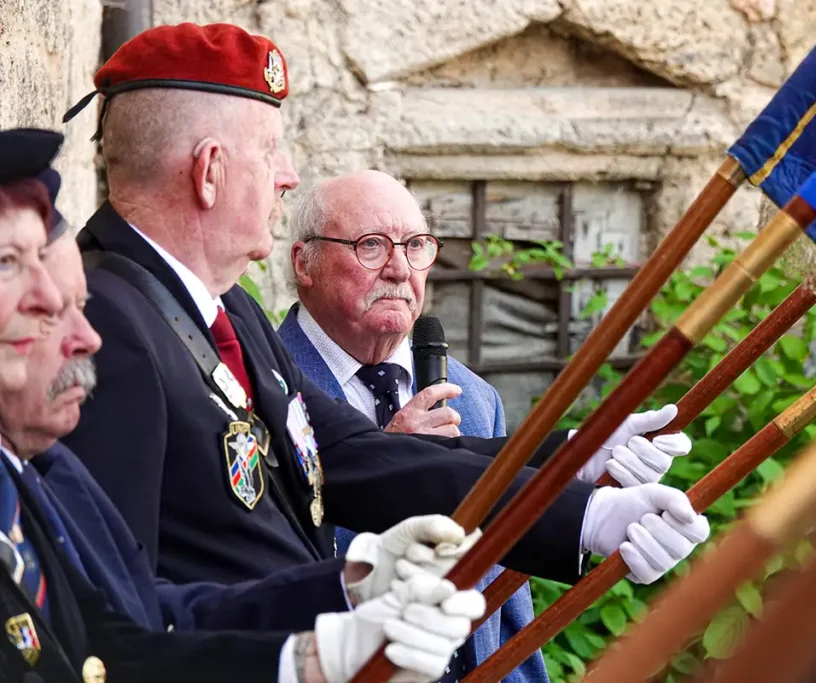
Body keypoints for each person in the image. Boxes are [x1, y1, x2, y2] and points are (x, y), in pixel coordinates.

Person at [62, 25, 712, 678]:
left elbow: (350, 455)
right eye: (270, 150)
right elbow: (116, 608)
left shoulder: (227, 308)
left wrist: (572, 465)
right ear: (209, 170)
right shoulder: (103, 319)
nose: (288, 177)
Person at [0, 128, 485, 683]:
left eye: (75, 304)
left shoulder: (48, 472)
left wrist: (346, 591)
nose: (85, 337)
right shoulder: (115, 355)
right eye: (11, 263)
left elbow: (138, 625)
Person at [281, 172, 697, 682]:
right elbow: (261, 569)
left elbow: (501, 601)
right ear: (305, 262)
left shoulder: (474, 396)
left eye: (416, 246)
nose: (398, 268)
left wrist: (578, 461)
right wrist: (393, 467)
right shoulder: (268, 386)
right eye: (371, 246)